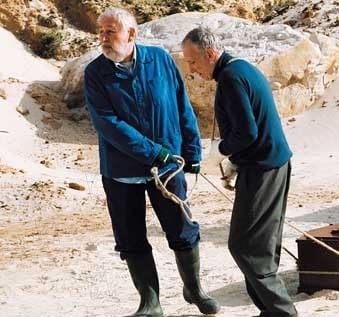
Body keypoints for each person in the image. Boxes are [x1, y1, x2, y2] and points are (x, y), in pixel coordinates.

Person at [83, 8, 220, 316]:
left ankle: (195, 290)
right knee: (130, 237)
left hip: (170, 166)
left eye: (110, 31)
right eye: (101, 31)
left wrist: (193, 152)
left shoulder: (160, 60)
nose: (103, 38)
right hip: (122, 172)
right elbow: (108, 124)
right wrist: (153, 152)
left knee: (183, 229)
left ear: (131, 35)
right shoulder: (94, 74)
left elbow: (182, 106)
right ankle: (150, 302)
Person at [182, 27, 298, 317]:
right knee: (263, 244)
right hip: (270, 164)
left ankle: (282, 312)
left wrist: (219, 154)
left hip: (264, 169)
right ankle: (269, 310)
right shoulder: (241, 68)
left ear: (210, 54)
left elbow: (247, 132)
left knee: (245, 246)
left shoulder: (232, 78)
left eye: (193, 61)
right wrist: (234, 160)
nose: (191, 69)